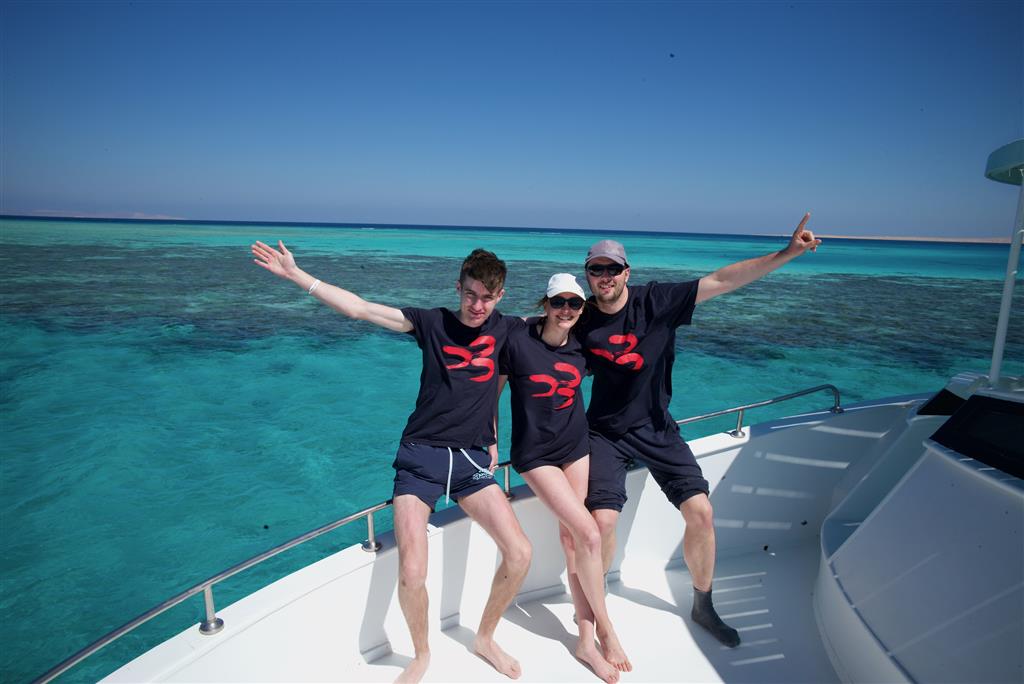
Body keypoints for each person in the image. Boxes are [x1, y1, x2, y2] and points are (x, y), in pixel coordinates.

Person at [251, 241, 532, 683]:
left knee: (520, 553)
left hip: (472, 461)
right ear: (458, 288)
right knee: (412, 571)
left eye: (487, 298)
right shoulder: (433, 323)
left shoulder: (510, 329)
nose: (478, 306)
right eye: (471, 294)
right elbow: (360, 309)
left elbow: (567, 321)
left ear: (501, 296)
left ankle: (485, 638)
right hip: (421, 457)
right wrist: (297, 275)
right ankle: (421, 655)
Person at [576, 213, 821, 648]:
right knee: (602, 522)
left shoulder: (658, 301)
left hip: (657, 428)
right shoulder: (580, 318)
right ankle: (598, 610)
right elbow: (532, 341)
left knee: (702, 513)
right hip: (606, 433)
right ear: (588, 276)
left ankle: (703, 605)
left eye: (613, 268)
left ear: (627, 272)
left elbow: (723, 280)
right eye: (597, 269)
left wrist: (787, 254)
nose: (605, 276)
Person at [497, 274, 630, 684]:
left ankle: (585, 640)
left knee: (573, 541)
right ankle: (606, 629)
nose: (566, 310)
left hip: (576, 448)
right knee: (589, 534)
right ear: (546, 304)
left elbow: (621, 353)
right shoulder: (518, 341)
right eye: (558, 303)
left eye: (574, 303)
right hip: (535, 456)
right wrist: (489, 442)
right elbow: (492, 394)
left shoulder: (581, 347)